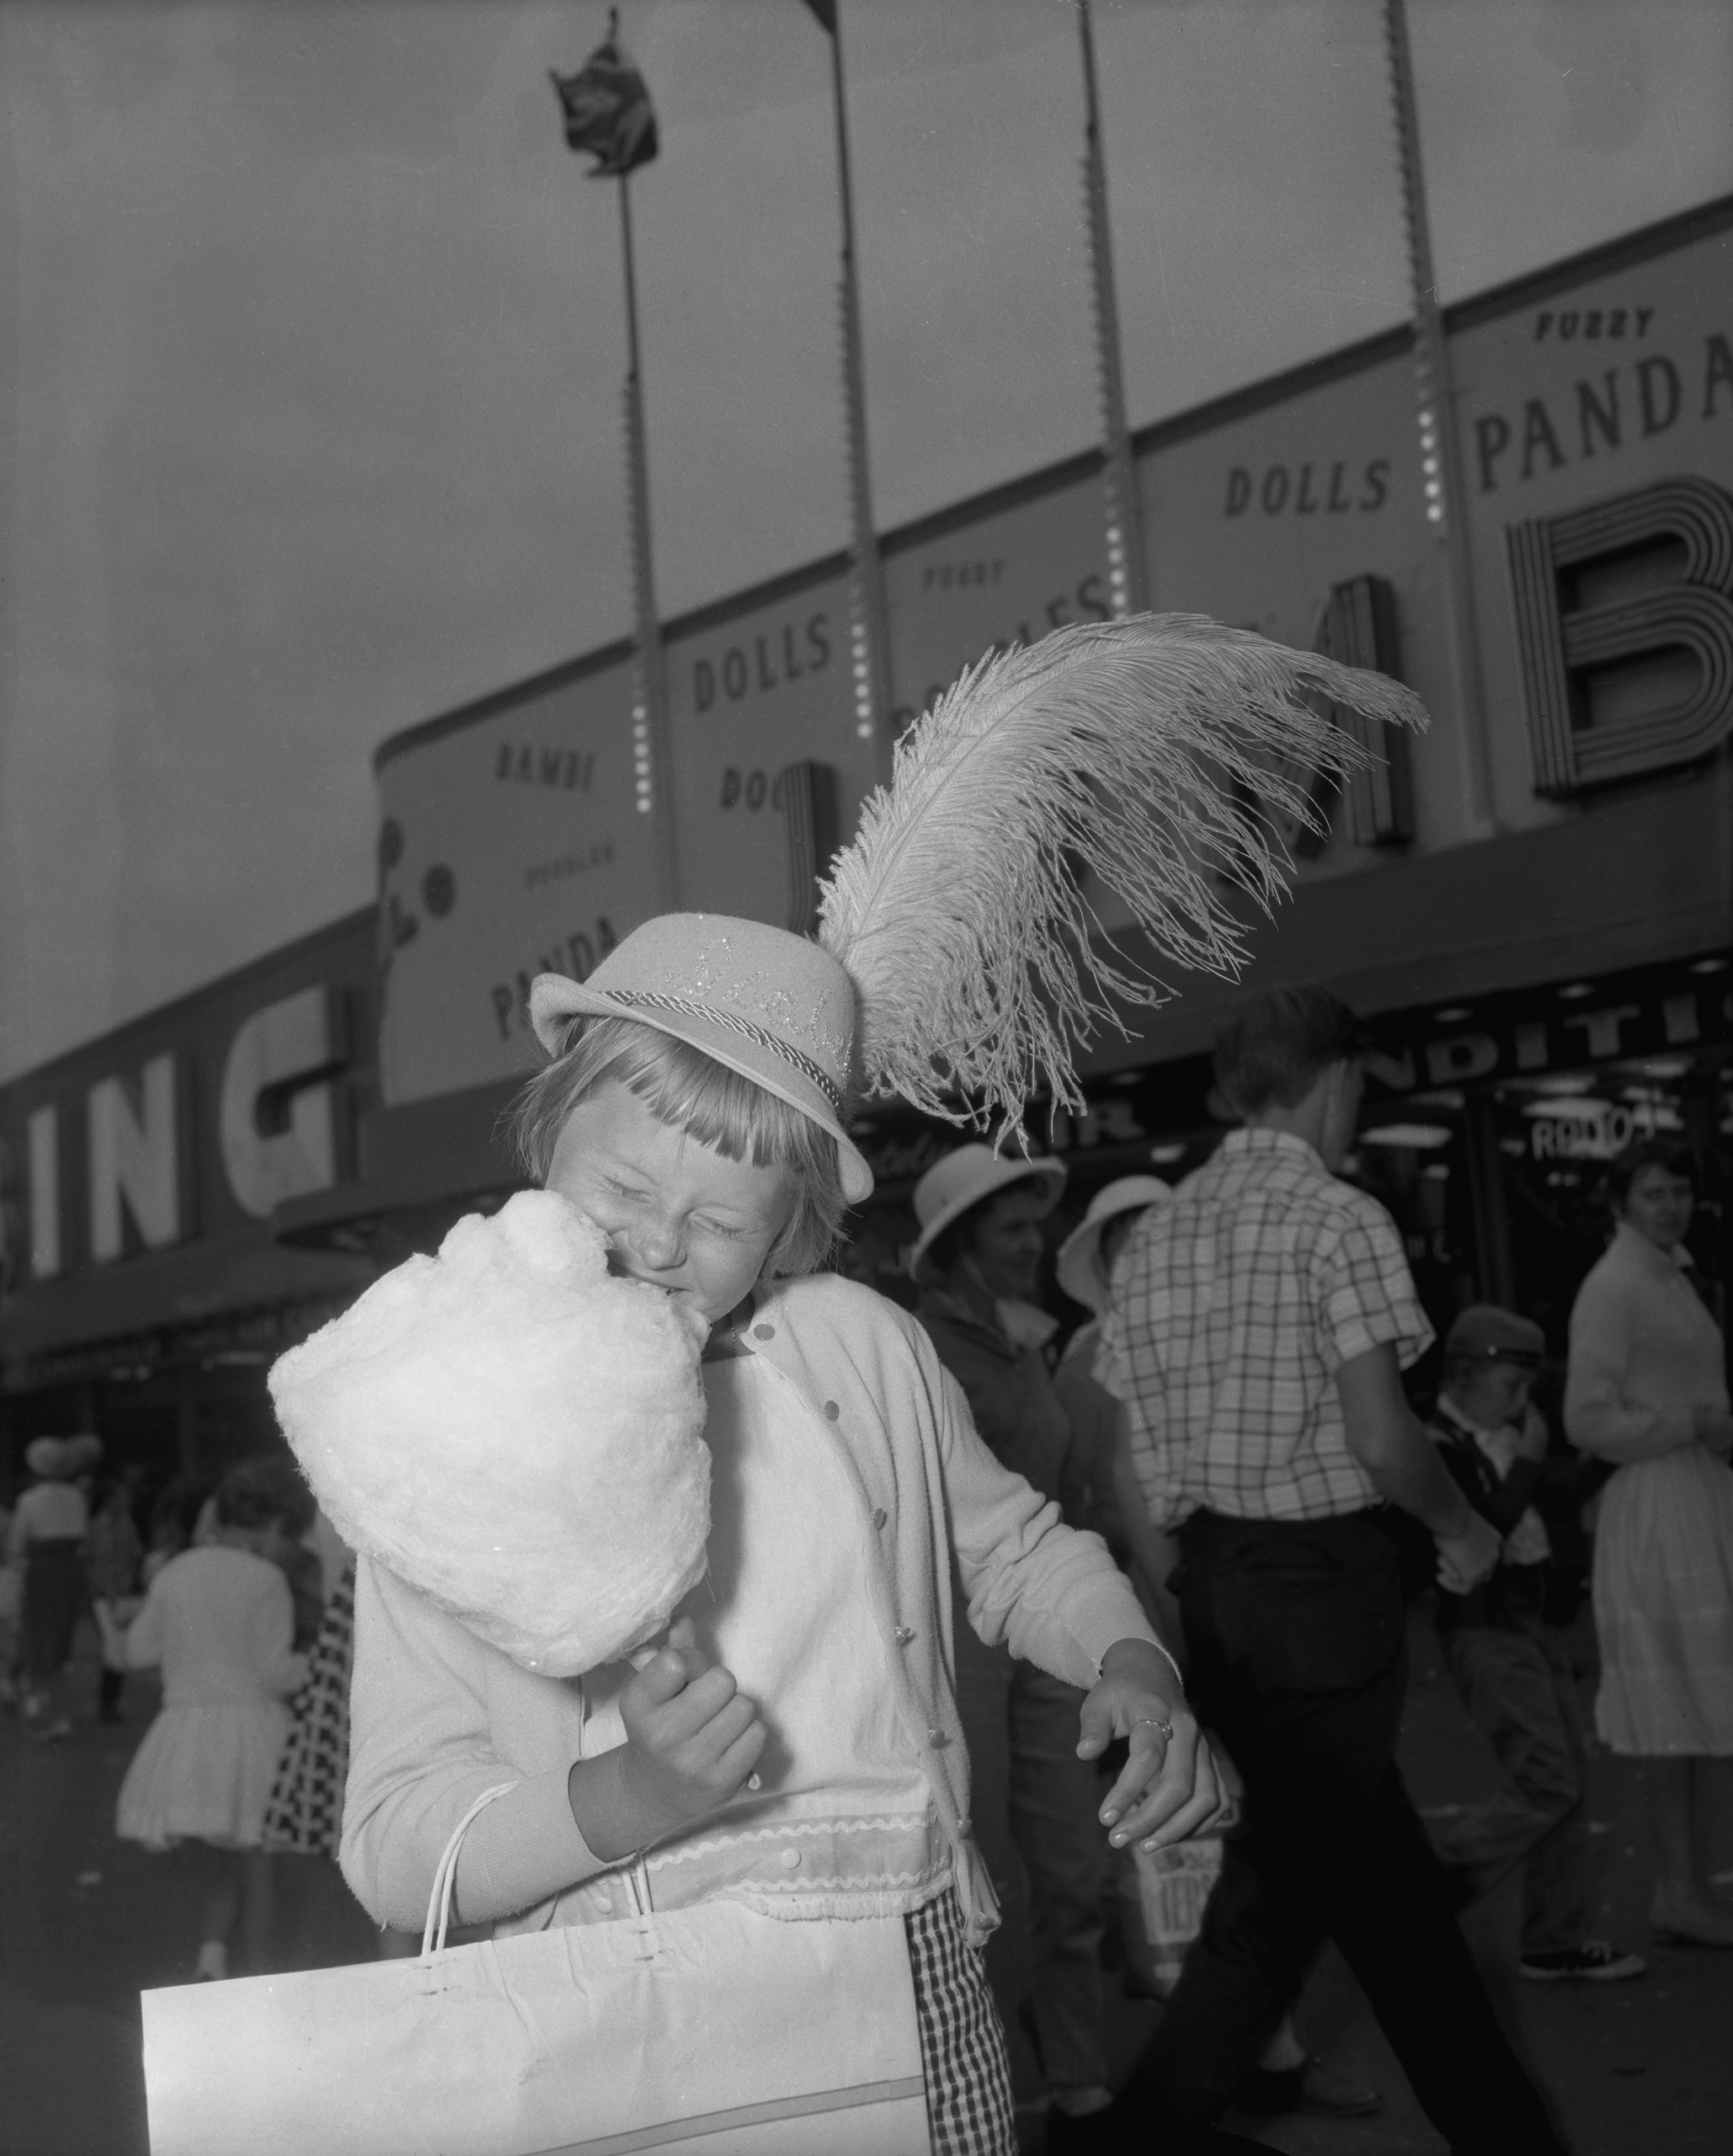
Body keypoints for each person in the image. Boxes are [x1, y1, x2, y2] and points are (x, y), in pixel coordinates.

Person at [338, 919, 1233, 2156]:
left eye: (719, 1224)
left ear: (791, 1229)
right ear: (548, 1138)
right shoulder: (440, 1420)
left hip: (910, 1964)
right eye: (625, 1190)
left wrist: (1134, 1664)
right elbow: (393, 1844)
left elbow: (1020, 1552)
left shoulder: (863, 1349)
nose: (657, 1246)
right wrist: (623, 1796)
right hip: (616, 2009)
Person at [1098, 986, 1567, 2154]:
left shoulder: (1155, 1233)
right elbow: (1380, 1436)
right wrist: (1463, 1530)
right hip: (1321, 1585)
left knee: (1385, 1908)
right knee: (1271, 1919)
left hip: (1217, 1582)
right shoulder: (1335, 1217)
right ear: (1337, 1076)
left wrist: (1184, 1598)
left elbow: (1124, 1461)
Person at [910, 1145, 1119, 2147]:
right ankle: (1005, 2080)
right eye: (1012, 1230)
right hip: (963, 1635)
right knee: (991, 1867)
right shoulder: (919, 1346)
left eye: (1036, 1226)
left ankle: (1080, 2076)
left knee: (1073, 1865)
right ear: (958, 1248)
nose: (1035, 1243)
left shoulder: (1026, 1338)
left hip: (1041, 1621)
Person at [1425, 1304, 1645, 1983]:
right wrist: (1525, 1463)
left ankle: (1553, 1940)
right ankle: (1424, 1896)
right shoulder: (1434, 1445)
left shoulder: (1506, 1435)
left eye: (1527, 1390)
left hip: (1533, 1623)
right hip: (1484, 1627)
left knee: (1568, 1785)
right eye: (1510, 1387)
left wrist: (1614, 1443)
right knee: (1549, 1779)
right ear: (1463, 1374)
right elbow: (1480, 1531)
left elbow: (1558, 1494)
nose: (1522, 1403)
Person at [1564, 1140, 1733, 1946]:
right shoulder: (1619, 1284)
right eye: (1653, 1192)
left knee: (1698, 1700)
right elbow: (1586, 1421)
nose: (1670, 1204)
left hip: (1697, 1498)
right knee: (1674, 1702)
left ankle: (1687, 1884)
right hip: (1659, 1508)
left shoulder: (1667, 1272)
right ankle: (1678, 1888)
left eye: (1679, 1190)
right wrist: (1693, 1424)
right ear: (1620, 1202)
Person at [115, 1458, 310, 1981]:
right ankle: (262, 1979)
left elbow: (134, 1652)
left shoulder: (174, 1571)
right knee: (258, 1862)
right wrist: (320, 1664)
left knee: (226, 1856)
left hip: (190, 1732)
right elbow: (273, 1673)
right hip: (250, 1733)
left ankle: (212, 1957)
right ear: (270, 1525)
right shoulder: (267, 1579)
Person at [1053, 1177, 1173, 1564]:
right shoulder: (1086, 1367)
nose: (1150, 1265)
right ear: (1104, 1269)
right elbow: (1072, 1495)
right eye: (1130, 1253)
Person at [8, 1437, 90, 1740]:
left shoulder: (29, 1500)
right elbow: (84, 1536)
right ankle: (52, 1708)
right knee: (61, 1644)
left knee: (38, 1641)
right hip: (70, 1572)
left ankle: (41, 1710)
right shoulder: (77, 1496)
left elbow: (16, 1545)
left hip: (41, 1574)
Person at [84, 1476, 145, 1724]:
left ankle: (110, 1702)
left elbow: (134, 1554)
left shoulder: (125, 1524)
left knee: (118, 1648)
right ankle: (108, 1703)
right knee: (114, 1648)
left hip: (123, 1594)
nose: (126, 1500)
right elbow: (93, 1564)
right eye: (121, 1496)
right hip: (105, 1597)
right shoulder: (97, 1526)